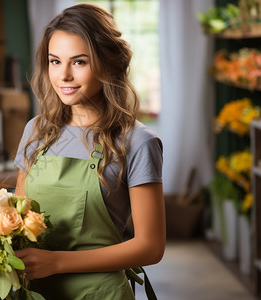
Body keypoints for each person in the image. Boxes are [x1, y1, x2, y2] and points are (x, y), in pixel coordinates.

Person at [13, 3, 165, 300]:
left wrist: (56, 263)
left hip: (100, 293)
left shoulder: (136, 141)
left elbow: (151, 246)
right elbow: (18, 216)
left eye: (79, 62)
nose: (64, 76)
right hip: (33, 291)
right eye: (55, 61)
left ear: (108, 64)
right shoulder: (37, 130)